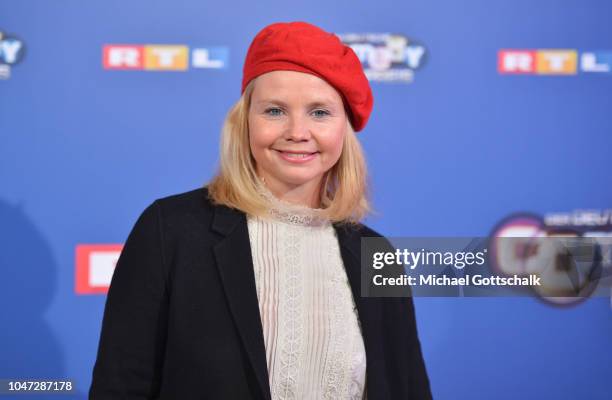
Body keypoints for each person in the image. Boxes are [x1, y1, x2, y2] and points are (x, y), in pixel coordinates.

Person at [89, 21, 432, 400]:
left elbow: (408, 389)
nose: (298, 131)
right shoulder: (170, 232)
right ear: (244, 121)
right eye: (274, 110)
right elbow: (120, 386)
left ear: (344, 130)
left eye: (320, 112)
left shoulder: (375, 255)